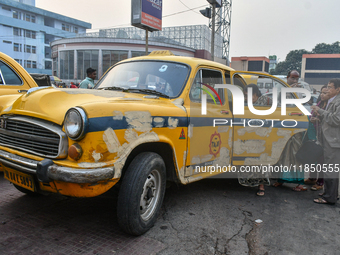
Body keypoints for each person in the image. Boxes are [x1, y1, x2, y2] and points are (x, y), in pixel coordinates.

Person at [239, 84, 272, 196]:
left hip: (263, 136)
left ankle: (261, 186)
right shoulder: (246, 103)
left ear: (255, 94)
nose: (246, 97)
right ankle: (250, 182)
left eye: (248, 95)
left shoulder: (267, 101)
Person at [311, 78, 340, 205]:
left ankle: (329, 197)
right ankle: (329, 193)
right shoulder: (331, 100)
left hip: (333, 140)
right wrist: (318, 119)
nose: (327, 89)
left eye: (330, 87)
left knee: (331, 169)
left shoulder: (338, 102)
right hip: (329, 138)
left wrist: (320, 111)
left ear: (338, 89)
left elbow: (335, 120)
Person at [304, 85, 330, 190]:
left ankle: (320, 182)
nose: (322, 95)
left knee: (322, 160)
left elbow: (330, 119)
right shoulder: (319, 103)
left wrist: (318, 120)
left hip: (325, 135)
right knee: (314, 156)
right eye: (321, 93)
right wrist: (313, 118)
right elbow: (312, 115)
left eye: (325, 93)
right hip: (315, 133)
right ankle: (312, 177)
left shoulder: (330, 105)